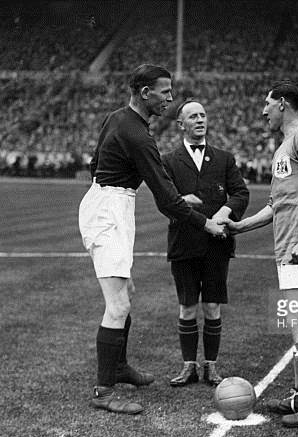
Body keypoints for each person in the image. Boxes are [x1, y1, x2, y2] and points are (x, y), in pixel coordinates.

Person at [78, 65, 226, 415]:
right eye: (165, 92)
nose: (171, 99)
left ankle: (118, 366)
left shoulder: (119, 118)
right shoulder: (137, 135)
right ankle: (103, 391)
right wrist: (204, 224)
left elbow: (97, 162)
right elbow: (165, 199)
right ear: (145, 93)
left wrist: (165, 196)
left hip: (110, 201)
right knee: (118, 306)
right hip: (110, 210)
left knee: (125, 295)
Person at [222, 80, 298, 427]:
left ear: (283, 103)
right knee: (297, 327)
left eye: (267, 104)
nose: (263, 111)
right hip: (288, 246)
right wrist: (241, 227)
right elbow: (277, 204)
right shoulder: (284, 147)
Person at [161, 100, 249, 387]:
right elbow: (165, 201)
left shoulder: (224, 158)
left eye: (202, 115)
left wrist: (226, 211)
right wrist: (180, 201)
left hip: (217, 245)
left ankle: (211, 366)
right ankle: (189, 366)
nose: (199, 120)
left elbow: (240, 193)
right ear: (181, 124)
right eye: (193, 116)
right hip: (184, 244)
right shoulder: (169, 161)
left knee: (212, 306)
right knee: (187, 307)